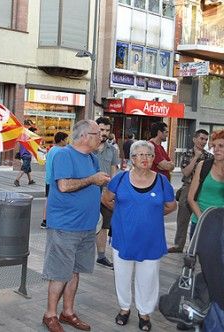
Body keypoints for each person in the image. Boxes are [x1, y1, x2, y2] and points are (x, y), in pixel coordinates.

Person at [42, 120, 110, 332]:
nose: (102, 137)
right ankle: (50, 314)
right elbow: (64, 186)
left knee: (75, 271)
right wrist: (92, 179)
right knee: (59, 272)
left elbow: (96, 184)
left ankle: (68, 312)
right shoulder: (64, 154)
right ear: (84, 136)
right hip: (65, 226)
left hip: (87, 227)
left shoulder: (92, 157)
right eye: (98, 133)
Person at [102, 140, 177, 331]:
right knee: (122, 276)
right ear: (132, 159)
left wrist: (150, 214)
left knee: (148, 278)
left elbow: (171, 206)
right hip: (123, 238)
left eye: (149, 155)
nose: (145, 158)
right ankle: (124, 308)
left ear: (154, 159)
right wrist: (124, 214)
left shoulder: (162, 181)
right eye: (140, 155)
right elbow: (107, 200)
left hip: (151, 240)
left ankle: (144, 313)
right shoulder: (119, 179)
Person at [168, 129, 211, 253]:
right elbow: (186, 172)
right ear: (194, 139)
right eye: (201, 138)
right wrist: (196, 157)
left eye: (205, 139)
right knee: (182, 218)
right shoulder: (188, 154)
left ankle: (198, 246)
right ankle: (178, 245)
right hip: (188, 186)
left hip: (202, 188)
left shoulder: (209, 156)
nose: (203, 142)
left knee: (200, 217)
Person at [187, 129, 224, 239]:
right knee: (200, 256)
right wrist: (203, 219)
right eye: (214, 146)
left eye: (221, 146)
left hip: (221, 224)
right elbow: (191, 198)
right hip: (200, 221)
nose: (216, 149)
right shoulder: (203, 165)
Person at [94, 117, 120, 269]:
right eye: (101, 130)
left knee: (104, 224)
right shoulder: (88, 147)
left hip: (105, 193)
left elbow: (114, 170)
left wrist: (113, 190)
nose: (104, 133)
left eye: (107, 130)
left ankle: (101, 256)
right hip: (89, 191)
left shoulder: (112, 150)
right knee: (88, 223)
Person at [41, 131, 69, 229]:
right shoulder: (61, 151)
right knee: (58, 200)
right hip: (56, 179)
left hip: (48, 179)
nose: (67, 141)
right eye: (66, 139)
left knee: (48, 199)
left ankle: (44, 220)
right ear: (61, 140)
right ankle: (56, 220)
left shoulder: (51, 149)